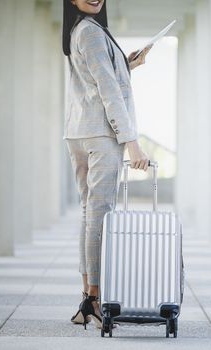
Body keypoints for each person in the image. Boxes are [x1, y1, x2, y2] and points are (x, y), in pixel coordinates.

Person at [61, 0, 152, 328]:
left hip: (80, 132)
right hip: (101, 135)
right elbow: (109, 90)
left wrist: (127, 64)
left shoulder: (80, 30)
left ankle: (87, 298)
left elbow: (97, 79)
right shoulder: (92, 32)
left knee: (89, 214)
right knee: (100, 215)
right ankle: (96, 300)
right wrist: (132, 143)